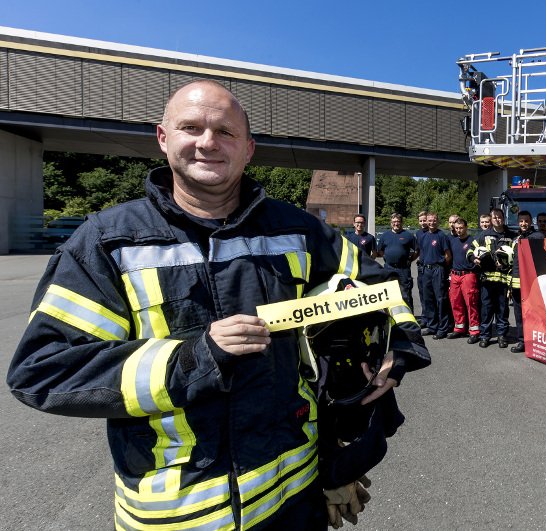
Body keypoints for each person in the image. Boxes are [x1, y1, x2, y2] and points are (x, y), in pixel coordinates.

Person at [6, 80, 430, 529]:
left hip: (296, 499)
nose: (208, 142)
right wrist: (194, 356)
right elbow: (45, 369)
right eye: (191, 127)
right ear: (163, 138)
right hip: (179, 516)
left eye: (225, 132)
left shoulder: (299, 229)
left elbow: (383, 288)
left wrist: (394, 352)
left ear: (248, 149)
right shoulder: (107, 243)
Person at [470, 208, 516, 348]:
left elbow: (516, 255)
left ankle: (502, 336)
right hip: (487, 280)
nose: (497, 219)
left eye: (499, 217)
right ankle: (485, 336)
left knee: (502, 310)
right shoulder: (484, 235)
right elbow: (471, 250)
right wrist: (474, 259)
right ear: (491, 219)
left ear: (503, 218)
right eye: (494, 217)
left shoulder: (511, 235)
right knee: (486, 309)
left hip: (503, 280)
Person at [509, 211, 542, 353]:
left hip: (532, 282)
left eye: (526, 221)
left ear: (531, 221)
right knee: (518, 313)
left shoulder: (537, 236)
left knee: (534, 313)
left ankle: (535, 342)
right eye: (521, 221)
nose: (523, 224)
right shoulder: (516, 238)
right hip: (516, 282)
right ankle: (522, 341)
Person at [419, 212, 452, 339]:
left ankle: (442, 328)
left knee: (441, 299)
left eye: (434, 220)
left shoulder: (441, 236)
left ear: (437, 221)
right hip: (426, 270)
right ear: (426, 221)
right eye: (429, 220)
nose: (431, 222)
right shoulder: (423, 236)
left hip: (438, 270)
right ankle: (432, 326)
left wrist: (440, 265)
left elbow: (448, 256)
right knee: (428, 299)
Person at [448, 218, 481, 343]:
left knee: (471, 303)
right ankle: (459, 328)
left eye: (461, 228)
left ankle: (474, 331)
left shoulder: (473, 241)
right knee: (455, 302)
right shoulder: (453, 241)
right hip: (455, 275)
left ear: (466, 227)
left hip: (468, 275)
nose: (458, 230)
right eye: (456, 228)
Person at [378, 212, 419, 310]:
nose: (396, 224)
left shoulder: (408, 235)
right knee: (388, 293)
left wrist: (410, 260)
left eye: (398, 222)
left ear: (401, 223)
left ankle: (409, 318)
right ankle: (391, 317)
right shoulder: (385, 236)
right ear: (390, 223)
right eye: (394, 222)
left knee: (406, 293)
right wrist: (387, 258)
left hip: (403, 269)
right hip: (389, 268)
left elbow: (417, 250)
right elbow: (380, 250)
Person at [415, 210, 429, 325]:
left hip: (432, 268)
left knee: (432, 295)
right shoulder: (418, 233)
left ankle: (434, 319)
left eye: (425, 220)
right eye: (421, 221)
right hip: (421, 267)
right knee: (423, 294)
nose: (423, 222)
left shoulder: (433, 232)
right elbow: (417, 250)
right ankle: (425, 318)